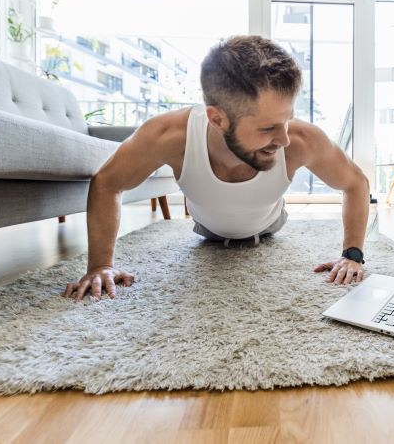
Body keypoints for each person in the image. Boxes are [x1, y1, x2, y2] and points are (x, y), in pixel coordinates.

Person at [63, 35, 370, 302]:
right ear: (217, 118)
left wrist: (352, 254)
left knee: (271, 218)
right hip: (206, 230)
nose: (284, 138)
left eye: (287, 120)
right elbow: (107, 182)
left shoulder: (303, 140)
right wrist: (100, 265)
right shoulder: (168, 136)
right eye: (268, 128)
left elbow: (355, 183)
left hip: (269, 224)